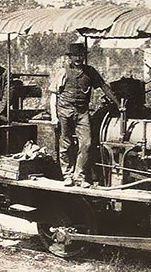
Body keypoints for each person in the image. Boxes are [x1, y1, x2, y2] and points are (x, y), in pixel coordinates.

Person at [51, 42, 118, 187]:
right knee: (66, 143)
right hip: (65, 111)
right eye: (75, 56)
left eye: (80, 55)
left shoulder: (90, 72)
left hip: (82, 112)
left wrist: (118, 103)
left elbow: (103, 86)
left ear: (84, 57)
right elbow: (54, 94)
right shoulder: (63, 72)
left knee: (86, 143)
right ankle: (67, 175)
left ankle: (79, 176)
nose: (78, 58)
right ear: (70, 57)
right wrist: (54, 116)